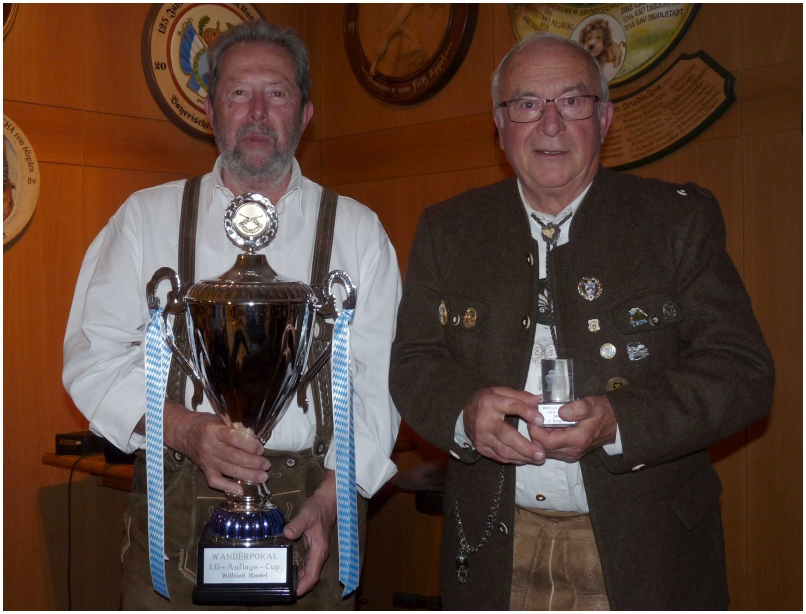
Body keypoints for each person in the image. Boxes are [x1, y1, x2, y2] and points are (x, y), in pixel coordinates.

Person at [389, 32, 774, 610]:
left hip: (649, 554)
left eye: (571, 101)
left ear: (605, 118)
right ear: (499, 124)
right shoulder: (449, 229)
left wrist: (620, 421)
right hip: (492, 553)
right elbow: (415, 362)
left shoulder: (675, 221)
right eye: (527, 104)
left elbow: (743, 372)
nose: (550, 123)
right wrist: (465, 413)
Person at [63, 21, 401, 609]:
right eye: (239, 93)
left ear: (305, 113)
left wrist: (332, 501)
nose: (257, 113)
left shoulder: (358, 231)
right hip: (173, 500)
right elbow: (93, 361)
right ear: (210, 110)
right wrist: (186, 430)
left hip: (319, 505)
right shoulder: (145, 219)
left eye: (277, 93)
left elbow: (380, 388)